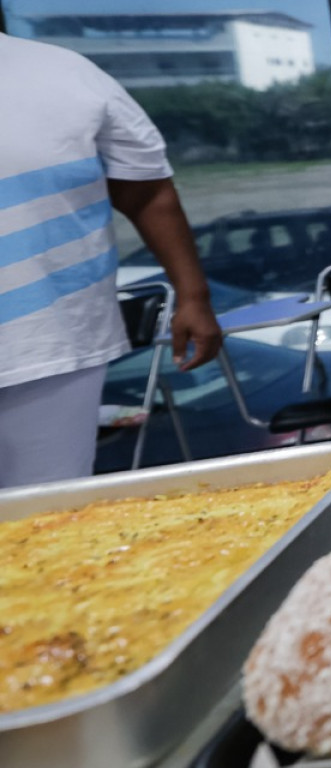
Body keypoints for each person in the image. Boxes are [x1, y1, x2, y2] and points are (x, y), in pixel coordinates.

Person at [0, 31, 223, 488]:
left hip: (48, 342)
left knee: (45, 520)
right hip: (55, 341)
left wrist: (193, 295)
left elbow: (147, 191)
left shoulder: (66, 74)